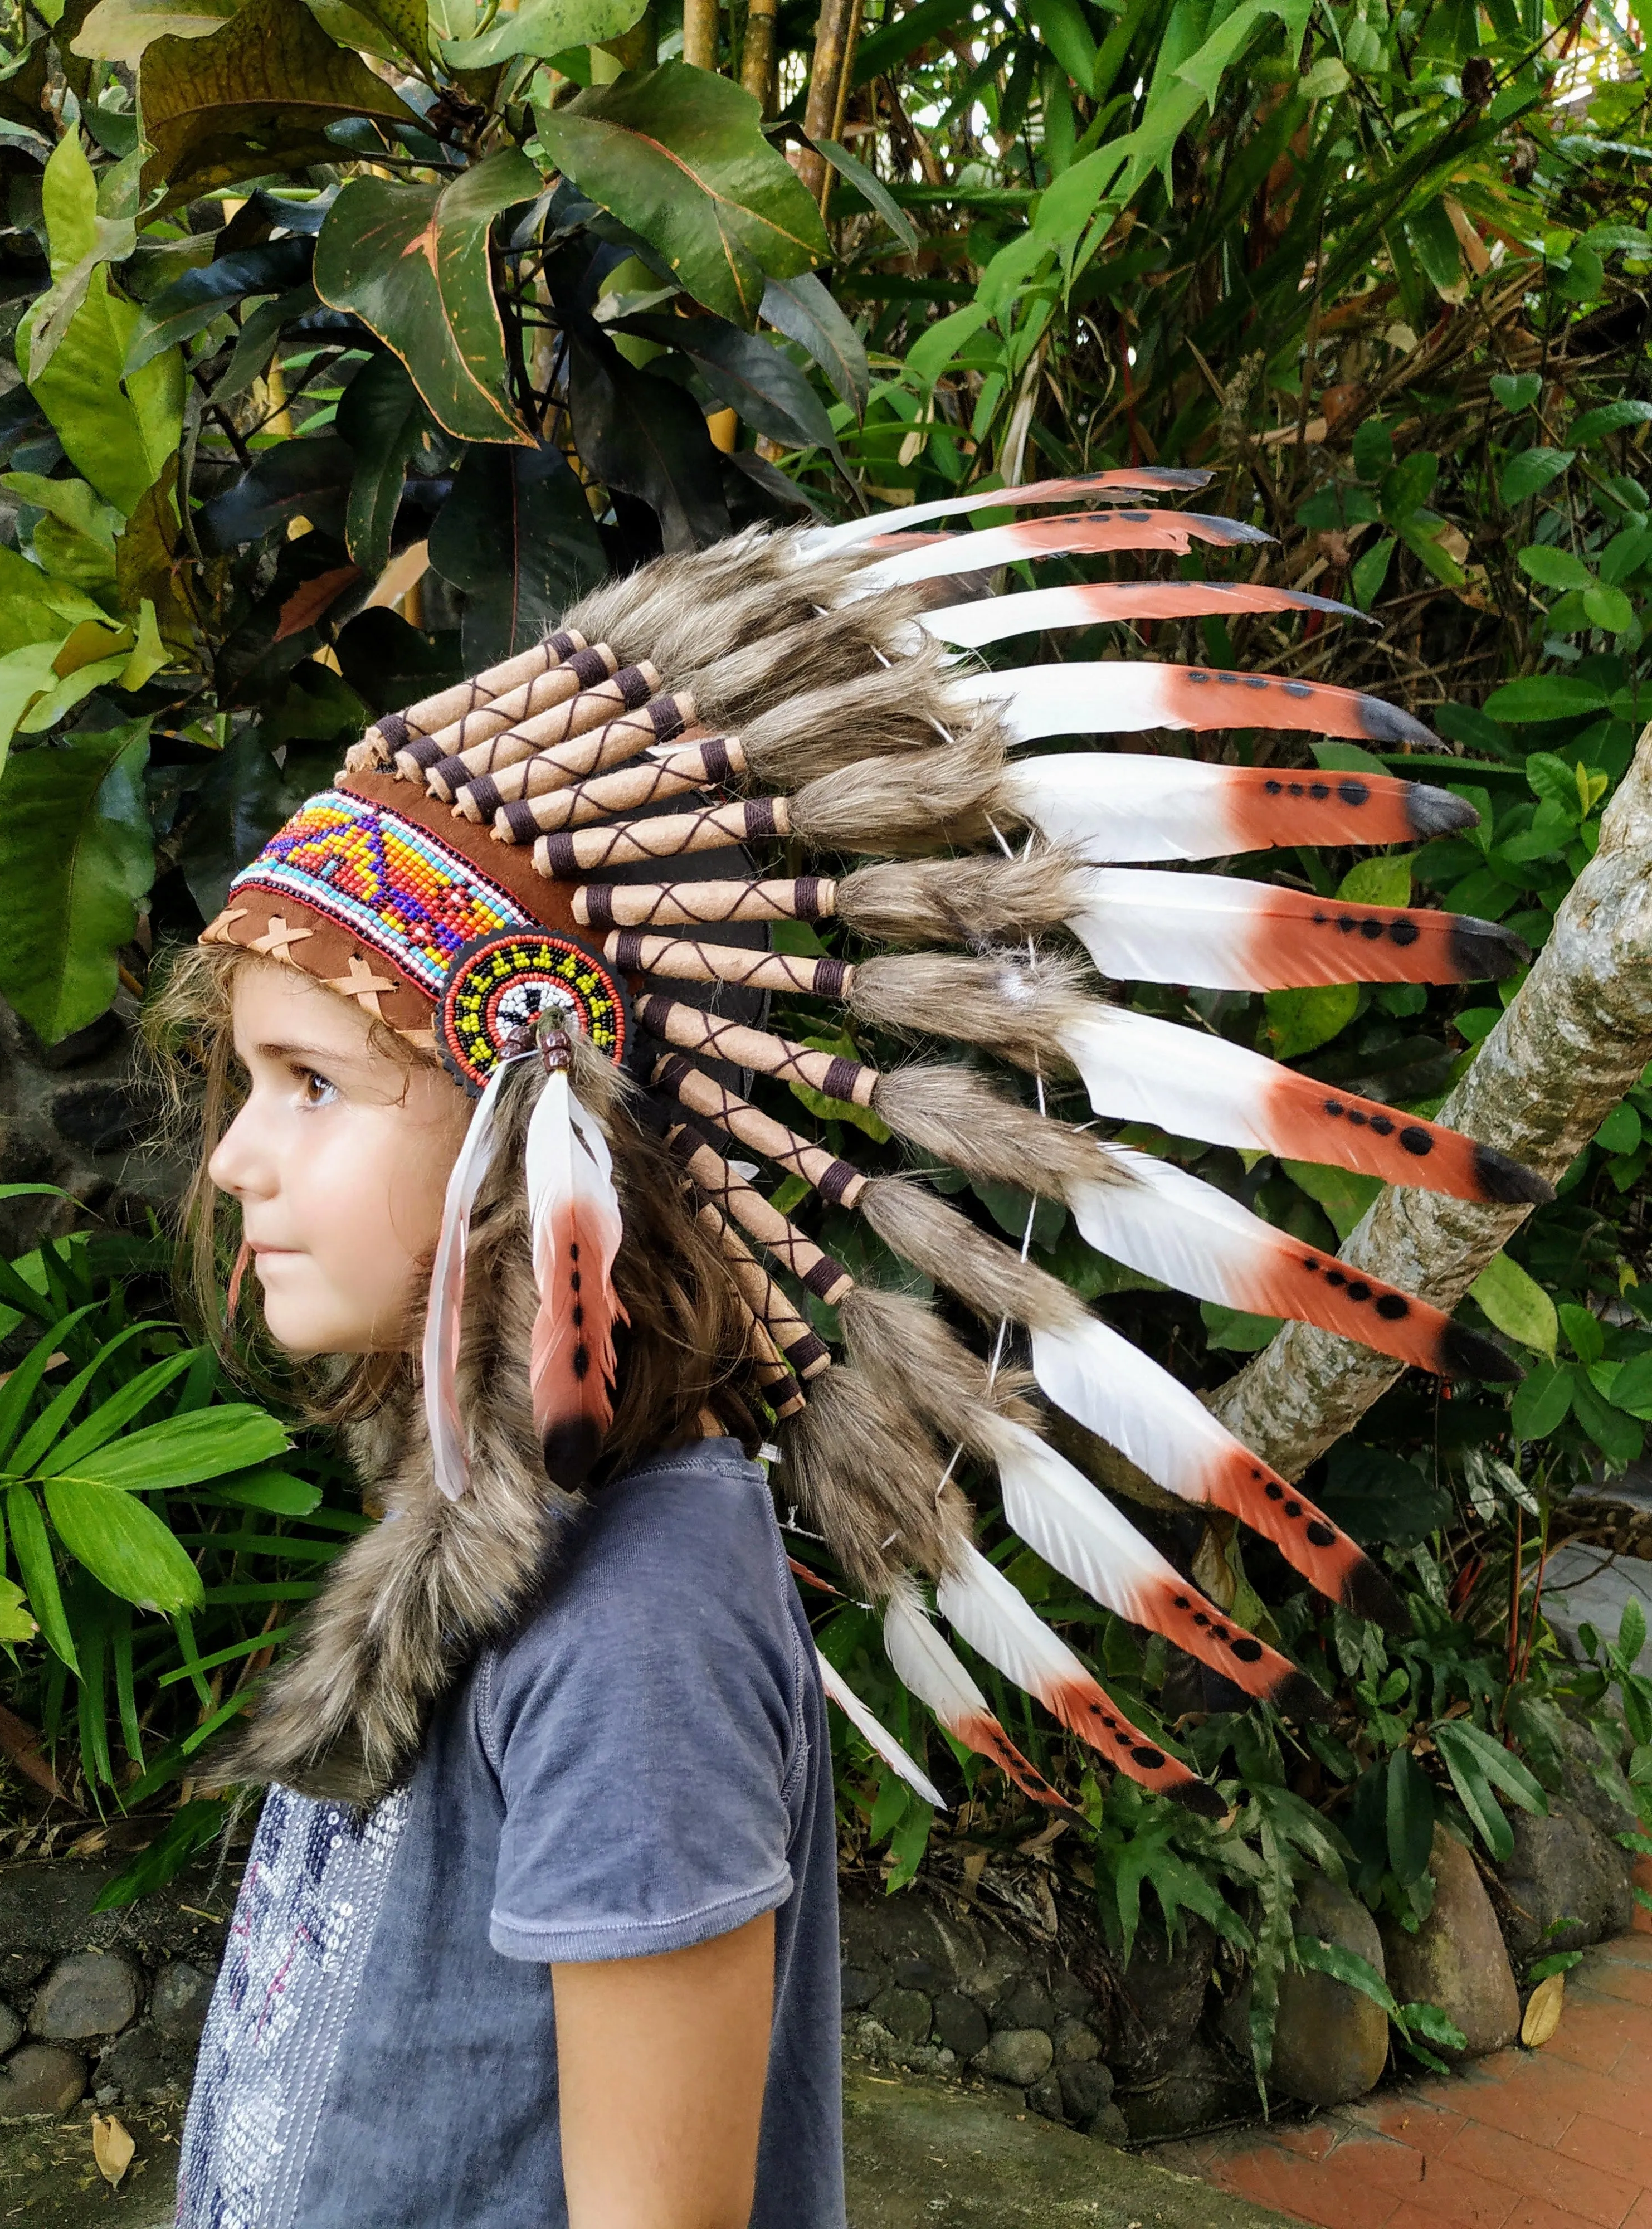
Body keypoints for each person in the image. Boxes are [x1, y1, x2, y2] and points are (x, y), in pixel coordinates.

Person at [152, 479, 1543, 2228]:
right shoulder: (481, 1504)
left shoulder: (637, 1616)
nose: (232, 1157)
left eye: (316, 1087)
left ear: (537, 1124)